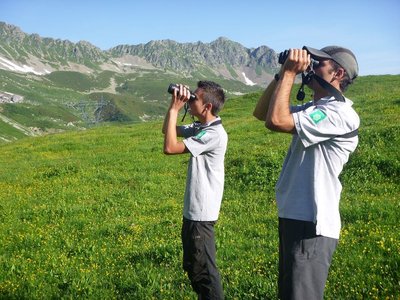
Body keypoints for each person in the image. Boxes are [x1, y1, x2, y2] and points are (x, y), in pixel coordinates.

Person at [253, 46, 360, 299]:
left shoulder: (339, 113)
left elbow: (276, 121)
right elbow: (262, 113)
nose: (311, 65)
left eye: (319, 62)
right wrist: (282, 74)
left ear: (338, 72)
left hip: (312, 221)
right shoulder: (315, 109)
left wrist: (291, 73)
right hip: (295, 215)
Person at [162, 81, 227, 299]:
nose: (190, 101)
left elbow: (170, 147)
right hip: (194, 211)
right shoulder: (202, 128)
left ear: (207, 107)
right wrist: (174, 106)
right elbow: (167, 130)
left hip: (201, 213)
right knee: (193, 265)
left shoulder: (213, 134)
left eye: (194, 99)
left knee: (204, 272)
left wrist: (174, 109)